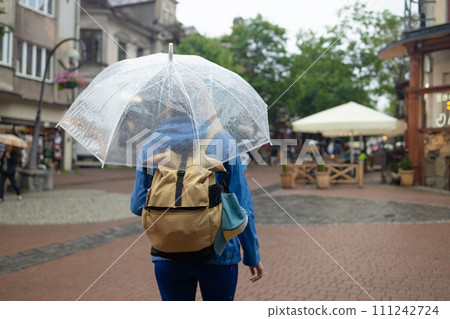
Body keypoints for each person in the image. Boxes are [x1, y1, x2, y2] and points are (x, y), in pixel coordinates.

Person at [130, 115, 263, 301]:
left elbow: (137, 205)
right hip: (220, 251)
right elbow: (242, 207)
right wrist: (252, 255)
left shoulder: (151, 145)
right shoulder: (223, 141)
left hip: (168, 252)